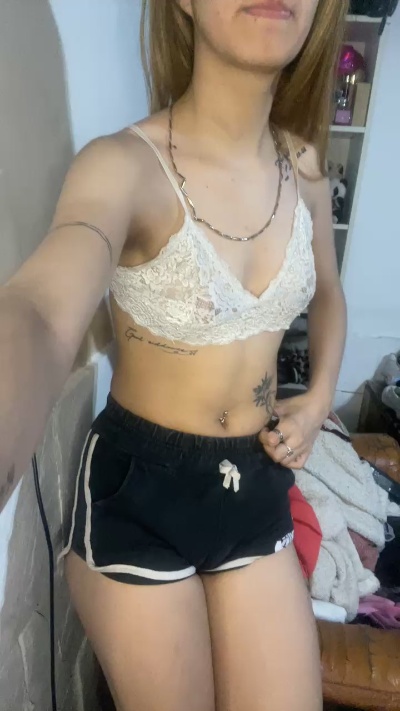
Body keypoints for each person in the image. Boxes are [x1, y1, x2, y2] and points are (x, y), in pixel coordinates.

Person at [0, 1, 348, 709]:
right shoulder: (123, 166)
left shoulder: (306, 169)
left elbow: (330, 295)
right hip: (140, 491)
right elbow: (41, 308)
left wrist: (317, 402)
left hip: (255, 482)